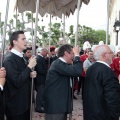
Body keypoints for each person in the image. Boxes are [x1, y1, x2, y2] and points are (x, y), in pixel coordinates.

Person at [3, 30, 37, 120]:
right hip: (16, 107)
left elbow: (21, 75)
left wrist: (29, 74)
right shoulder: (9, 60)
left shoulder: (21, 57)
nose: (26, 41)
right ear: (15, 42)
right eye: (23, 39)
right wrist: (29, 67)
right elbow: (16, 81)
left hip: (24, 104)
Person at [44, 44, 83, 120]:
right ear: (66, 53)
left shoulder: (62, 64)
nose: (73, 57)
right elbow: (77, 71)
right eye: (73, 54)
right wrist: (78, 56)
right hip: (55, 107)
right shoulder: (58, 64)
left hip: (60, 105)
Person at [83, 45, 120, 120]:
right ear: (105, 55)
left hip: (90, 114)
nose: (113, 55)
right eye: (111, 53)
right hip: (103, 115)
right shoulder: (107, 72)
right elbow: (112, 98)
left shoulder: (91, 69)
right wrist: (115, 116)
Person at [35, 48, 48, 113]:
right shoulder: (39, 58)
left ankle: (40, 104)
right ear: (43, 51)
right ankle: (38, 107)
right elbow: (40, 70)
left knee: (41, 93)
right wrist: (47, 71)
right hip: (40, 79)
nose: (47, 54)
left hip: (41, 79)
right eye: (46, 52)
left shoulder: (40, 58)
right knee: (40, 94)